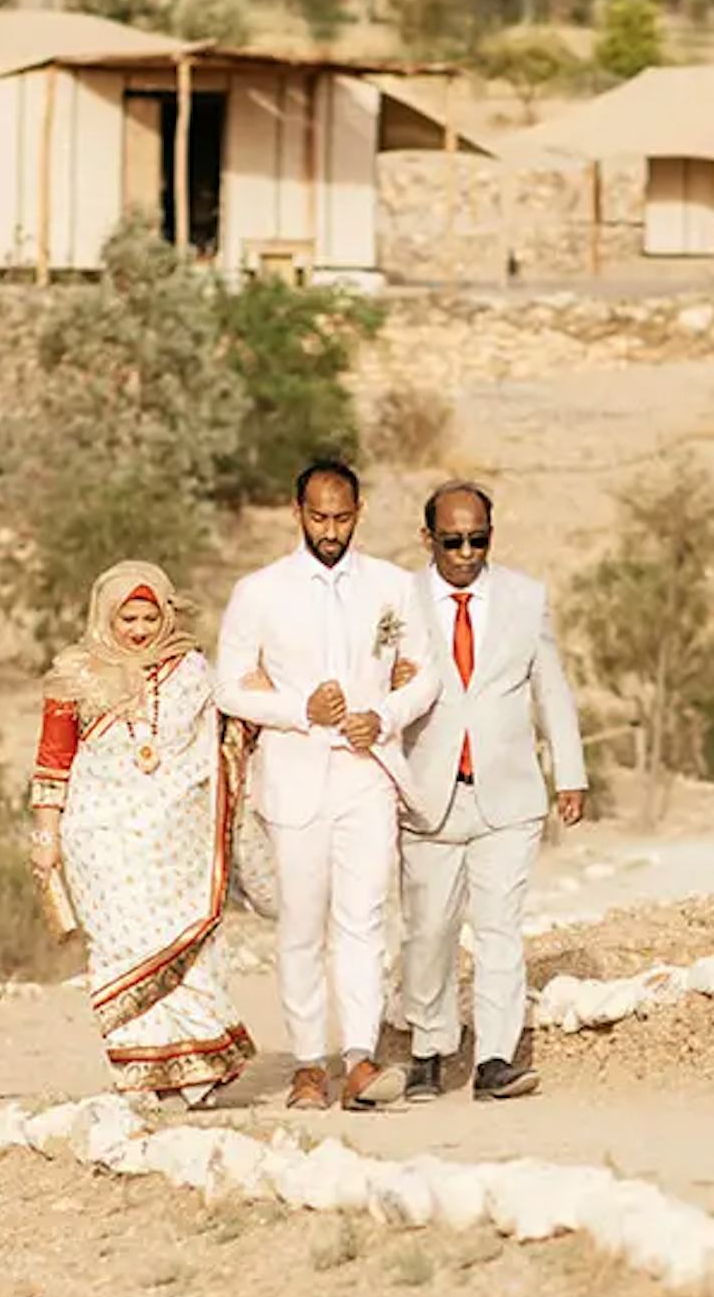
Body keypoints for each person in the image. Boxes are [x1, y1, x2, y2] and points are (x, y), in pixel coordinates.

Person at [219, 459, 423, 1110]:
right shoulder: (260, 591)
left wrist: (382, 715)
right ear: (296, 510)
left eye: (340, 517)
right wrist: (300, 707)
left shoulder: (393, 587)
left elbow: (426, 675)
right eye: (318, 516)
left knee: (363, 920)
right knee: (303, 927)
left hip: (367, 774)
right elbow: (229, 685)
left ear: (358, 512)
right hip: (294, 775)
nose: (329, 529)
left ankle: (360, 1059)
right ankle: (310, 1063)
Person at [391, 482, 588, 1103]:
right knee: (429, 930)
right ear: (429, 539)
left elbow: (550, 687)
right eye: (453, 541)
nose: (467, 552)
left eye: (479, 539)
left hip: (508, 794)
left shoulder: (527, 599)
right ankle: (429, 1048)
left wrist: (571, 772)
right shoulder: (397, 600)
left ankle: (496, 1059)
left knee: (500, 928)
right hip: (428, 794)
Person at [28, 564, 250, 1107]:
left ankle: (196, 1067)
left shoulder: (192, 672)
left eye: (151, 617)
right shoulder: (76, 674)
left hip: (176, 842)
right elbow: (54, 760)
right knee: (121, 947)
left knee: (185, 944)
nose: (140, 629)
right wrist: (45, 837)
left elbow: (228, 731)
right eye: (127, 618)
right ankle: (140, 1071)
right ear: (106, 615)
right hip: (101, 838)